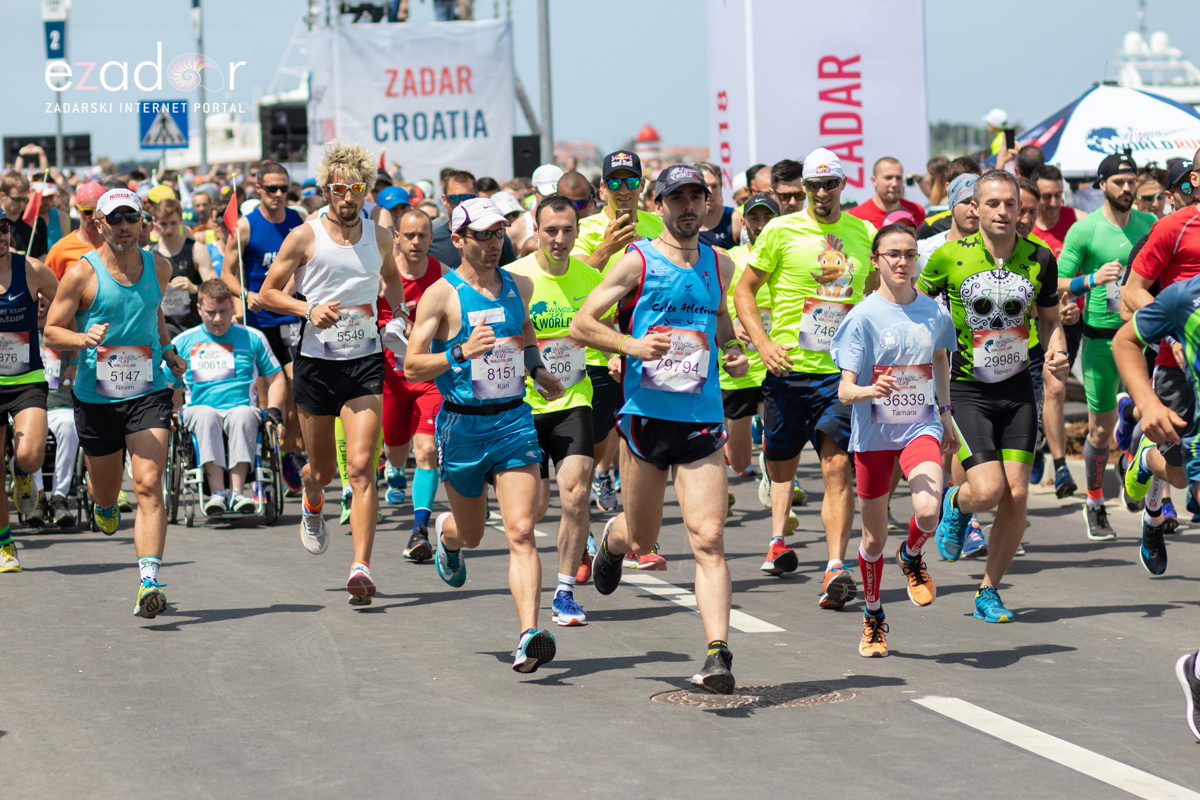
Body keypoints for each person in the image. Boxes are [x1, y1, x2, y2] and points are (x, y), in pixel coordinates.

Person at [571, 164, 749, 693]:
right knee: (642, 537)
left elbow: (720, 323)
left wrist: (733, 350)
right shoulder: (637, 260)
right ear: (660, 204)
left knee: (709, 537)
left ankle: (718, 653)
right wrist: (630, 345)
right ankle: (614, 540)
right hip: (645, 417)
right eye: (678, 198)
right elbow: (583, 323)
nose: (688, 206)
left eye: (697, 196)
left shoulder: (719, 262)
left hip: (701, 418)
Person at [404, 196, 565, 673]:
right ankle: (448, 537)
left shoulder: (520, 285)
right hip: (462, 425)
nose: (494, 244)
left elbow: (525, 330)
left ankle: (528, 634)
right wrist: (459, 352)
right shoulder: (441, 295)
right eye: (482, 236)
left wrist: (537, 369)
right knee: (472, 534)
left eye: (499, 233)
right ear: (458, 240)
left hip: (513, 420)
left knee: (522, 531)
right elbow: (412, 366)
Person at [259, 142, 406, 607]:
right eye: (339, 189)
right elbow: (267, 293)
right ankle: (311, 496)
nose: (347, 198)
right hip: (316, 364)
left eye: (355, 189)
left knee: (361, 468)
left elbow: (392, 279)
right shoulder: (304, 237)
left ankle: (361, 566)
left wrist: (398, 314)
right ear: (326, 190)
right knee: (321, 470)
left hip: (364, 362)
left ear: (366, 191)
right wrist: (308, 309)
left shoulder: (380, 236)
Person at [918, 170, 1069, 622]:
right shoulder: (948, 256)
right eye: (993, 203)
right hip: (966, 388)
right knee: (986, 491)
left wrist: (1058, 351)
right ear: (975, 207)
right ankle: (955, 504)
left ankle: (989, 590)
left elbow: (1050, 319)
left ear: (1021, 208)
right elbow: (914, 306)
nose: (1003, 212)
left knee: (1017, 494)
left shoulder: (1039, 258)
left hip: (1018, 387)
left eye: (1011, 204)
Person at [734, 148, 876, 603]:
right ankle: (778, 537)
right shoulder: (780, 230)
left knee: (837, 466)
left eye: (830, 184)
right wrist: (762, 344)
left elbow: (874, 293)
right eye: (814, 185)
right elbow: (745, 290)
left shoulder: (862, 233)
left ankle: (835, 566)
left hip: (839, 375)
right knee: (781, 463)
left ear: (843, 185)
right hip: (788, 370)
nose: (821, 192)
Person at [43, 188, 188, 618]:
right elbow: (51, 330)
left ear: (142, 222)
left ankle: (149, 580)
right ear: (99, 224)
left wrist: (167, 350)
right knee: (106, 491)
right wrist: (80, 337)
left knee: (148, 483)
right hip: (96, 397)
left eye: (131, 217)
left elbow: (153, 311)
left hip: (147, 390)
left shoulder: (159, 267)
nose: (124, 226)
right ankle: (104, 505)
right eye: (115, 218)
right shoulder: (80, 273)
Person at [831, 223, 956, 656]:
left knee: (929, 510)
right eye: (894, 254)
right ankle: (873, 616)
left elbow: (940, 359)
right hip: (874, 435)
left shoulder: (934, 312)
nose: (903, 262)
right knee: (872, 540)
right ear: (876, 261)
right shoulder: (862, 317)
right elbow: (845, 390)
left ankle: (912, 555)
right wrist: (870, 390)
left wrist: (946, 414)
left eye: (910, 254)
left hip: (920, 426)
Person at [507, 194, 604, 626]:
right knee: (532, 511)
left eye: (568, 230)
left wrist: (614, 354)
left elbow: (604, 329)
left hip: (573, 399)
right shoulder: (514, 278)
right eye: (551, 230)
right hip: (523, 406)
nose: (559, 239)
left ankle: (564, 593)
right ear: (536, 229)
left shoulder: (592, 277)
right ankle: (452, 531)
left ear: (578, 231)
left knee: (577, 493)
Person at [1055, 155, 1156, 541]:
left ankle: (1132, 466)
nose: (1127, 188)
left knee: (1152, 417)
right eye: (1119, 182)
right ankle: (1095, 501)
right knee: (1099, 430)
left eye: (1131, 181)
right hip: (1101, 340)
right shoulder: (1086, 230)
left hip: (1142, 337)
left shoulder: (1150, 224)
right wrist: (1093, 279)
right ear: (1102, 185)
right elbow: (1058, 282)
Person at [1119, 149, 1200, 575]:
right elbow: (1132, 290)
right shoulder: (1173, 227)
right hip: (1175, 365)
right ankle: (1145, 466)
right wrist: (1175, 332)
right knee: (1181, 476)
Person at [572, 151, 665, 516]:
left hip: (648, 350)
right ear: (603, 187)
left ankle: (638, 528)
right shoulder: (586, 228)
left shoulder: (658, 226)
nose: (623, 189)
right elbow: (568, 279)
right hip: (598, 351)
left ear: (641, 185)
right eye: (615, 181)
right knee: (596, 444)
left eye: (631, 181)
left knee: (642, 443)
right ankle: (598, 478)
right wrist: (605, 249)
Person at [221, 161, 306, 491]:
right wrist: (246, 295)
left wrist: (290, 293)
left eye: (284, 188)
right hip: (258, 322)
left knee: (298, 389)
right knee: (266, 394)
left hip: (290, 318)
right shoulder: (245, 226)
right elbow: (227, 273)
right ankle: (263, 455)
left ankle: (287, 451)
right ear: (258, 190)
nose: (278, 194)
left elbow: (305, 264)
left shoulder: (297, 221)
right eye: (271, 188)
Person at [172, 280, 285, 515]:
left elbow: (276, 378)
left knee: (242, 414)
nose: (217, 319)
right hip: (199, 409)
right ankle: (218, 493)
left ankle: (237, 492)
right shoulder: (182, 341)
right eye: (210, 312)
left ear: (232, 307)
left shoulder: (253, 337)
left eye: (223, 311)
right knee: (207, 415)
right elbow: (166, 382)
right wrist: (171, 411)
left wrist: (275, 409)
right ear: (199, 309)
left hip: (241, 407)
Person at [380, 208, 445, 562]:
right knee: (396, 451)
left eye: (422, 235)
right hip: (391, 379)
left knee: (427, 451)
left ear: (431, 238)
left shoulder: (443, 276)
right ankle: (392, 469)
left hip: (429, 378)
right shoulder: (382, 276)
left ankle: (419, 531)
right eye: (409, 235)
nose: (416, 242)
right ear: (397, 238)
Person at [0, 209, 59, 569]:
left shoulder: (32, 269)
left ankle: (23, 474)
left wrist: (66, 339)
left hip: (26, 378)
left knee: (31, 454)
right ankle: (5, 544)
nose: (0, 236)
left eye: (3, 228)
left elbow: (68, 303)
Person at [723, 193, 778, 476]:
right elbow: (714, 306)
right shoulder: (730, 259)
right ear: (743, 222)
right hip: (739, 364)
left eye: (768, 217)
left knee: (778, 443)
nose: (761, 224)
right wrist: (730, 329)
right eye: (754, 218)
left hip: (775, 361)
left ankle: (777, 480)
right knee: (739, 461)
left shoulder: (787, 257)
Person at [152, 199, 217, 337]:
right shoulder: (148, 253)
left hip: (192, 325)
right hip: (160, 328)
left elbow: (215, 289)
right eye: (163, 224)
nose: (169, 229)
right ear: (154, 222)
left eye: (173, 223)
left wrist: (194, 288)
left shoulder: (197, 249)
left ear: (181, 221)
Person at [427, 170, 516, 270]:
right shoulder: (431, 241)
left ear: (476, 197)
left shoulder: (497, 236)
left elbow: (509, 273)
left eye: (468, 198)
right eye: (455, 198)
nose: (462, 203)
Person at [44, 181, 106, 280]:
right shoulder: (61, 249)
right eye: (88, 212)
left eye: (99, 211)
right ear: (77, 209)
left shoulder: (116, 244)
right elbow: (46, 285)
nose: (94, 217)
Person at [917, 174, 978, 271]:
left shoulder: (997, 250)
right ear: (952, 205)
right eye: (966, 202)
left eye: (978, 203)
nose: (973, 209)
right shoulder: (924, 249)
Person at [850, 158, 927, 229]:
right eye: (888, 178)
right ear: (874, 181)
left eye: (898, 178)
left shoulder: (917, 211)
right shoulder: (856, 217)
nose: (894, 184)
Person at [1, 172, 48, 259]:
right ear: (3, 195)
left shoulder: (36, 222)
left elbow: (43, 255)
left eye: (25, 199)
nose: (22, 204)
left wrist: (27, 263)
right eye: (17, 199)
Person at [698, 162, 735, 249]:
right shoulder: (683, 221)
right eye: (705, 186)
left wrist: (728, 254)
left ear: (721, 188)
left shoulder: (734, 218)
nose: (710, 192)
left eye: (714, 186)